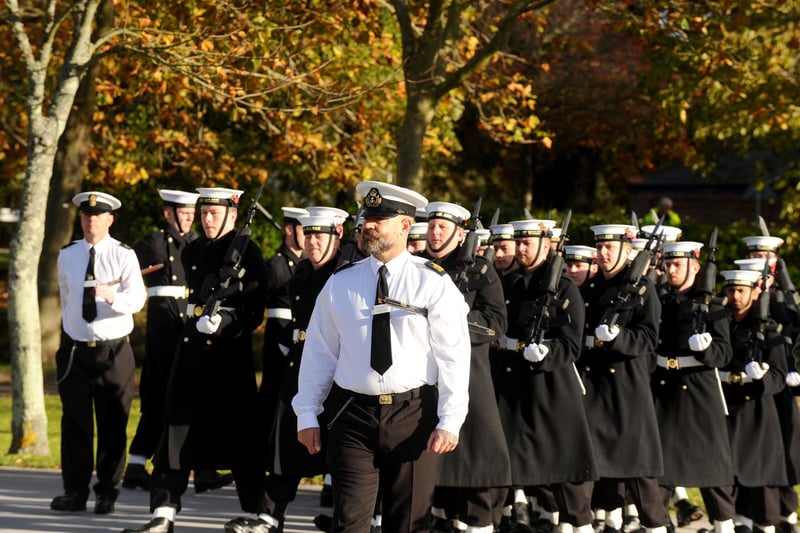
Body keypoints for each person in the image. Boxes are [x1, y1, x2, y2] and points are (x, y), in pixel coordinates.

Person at [292, 180, 472, 533]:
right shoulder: (340, 283)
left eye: (379, 219)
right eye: (366, 218)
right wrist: (307, 412)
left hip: (414, 414)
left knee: (406, 524)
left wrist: (451, 420)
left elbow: (454, 355)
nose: (368, 225)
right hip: (352, 414)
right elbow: (319, 351)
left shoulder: (432, 282)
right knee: (349, 523)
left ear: (405, 225)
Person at [122, 187, 268, 533]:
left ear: (233, 216)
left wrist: (226, 322)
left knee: (241, 442)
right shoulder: (194, 250)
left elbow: (252, 311)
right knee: (172, 434)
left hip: (228, 361)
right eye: (204, 213)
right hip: (190, 355)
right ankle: (163, 513)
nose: (206, 219)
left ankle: (260, 514)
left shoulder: (249, 252)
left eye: (214, 214)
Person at [122, 189, 233, 495]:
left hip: (188, 325)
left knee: (194, 395)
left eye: (190, 213)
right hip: (162, 329)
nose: (187, 218)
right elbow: (126, 270)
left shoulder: (198, 244)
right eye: (181, 213)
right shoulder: (154, 242)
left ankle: (203, 468)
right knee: (158, 395)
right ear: (168, 213)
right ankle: (135, 464)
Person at [493, 219, 597, 533]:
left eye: (528, 243)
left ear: (546, 244)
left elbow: (571, 343)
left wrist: (547, 353)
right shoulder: (509, 283)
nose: (521, 249)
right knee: (507, 465)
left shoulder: (563, 287)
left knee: (565, 472)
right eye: (519, 243)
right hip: (513, 385)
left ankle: (581, 525)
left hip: (551, 388)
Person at [51, 191, 147, 514]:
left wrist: (112, 298)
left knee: (112, 423)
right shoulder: (68, 254)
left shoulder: (123, 255)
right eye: (86, 216)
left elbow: (137, 300)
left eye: (98, 216)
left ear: (109, 220)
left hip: (113, 351)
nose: (91, 221)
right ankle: (75, 491)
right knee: (75, 423)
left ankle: (107, 491)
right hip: (76, 351)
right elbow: (66, 296)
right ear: (81, 220)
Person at [420, 201, 511, 533]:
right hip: (426, 379)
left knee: (474, 464)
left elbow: (495, 324)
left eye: (443, 227)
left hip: (470, 378)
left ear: (461, 234)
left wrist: (457, 317)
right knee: (434, 469)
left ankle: (479, 522)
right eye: (431, 226)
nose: (434, 232)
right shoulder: (417, 267)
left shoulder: (481, 271)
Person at [258, 206, 347, 532]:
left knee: (340, 453)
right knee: (286, 441)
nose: (312, 242)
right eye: (308, 235)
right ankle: (269, 516)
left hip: (336, 372)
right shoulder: (302, 274)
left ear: (336, 237)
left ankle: (346, 519)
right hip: (301, 365)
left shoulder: (344, 274)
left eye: (319, 236)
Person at [579, 223, 671, 533]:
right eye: (600, 247)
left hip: (627, 390)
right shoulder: (590, 289)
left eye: (611, 248)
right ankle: (592, 523)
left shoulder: (643, 288)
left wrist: (618, 338)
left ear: (627, 251)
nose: (603, 254)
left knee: (639, 469)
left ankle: (656, 526)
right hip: (593, 388)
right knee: (592, 465)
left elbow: (648, 339)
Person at [651, 241, 737, 533]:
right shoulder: (659, 302)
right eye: (668, 264)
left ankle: (724, 526)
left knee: (713, 471)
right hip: (664, 390)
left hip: (699, 392)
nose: (671, 270)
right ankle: (657, 526)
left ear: (695, 267)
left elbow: (724, 354)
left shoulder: (713, 306)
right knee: (658, 473)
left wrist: (707, 350)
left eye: (678, 264)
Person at [718, 267, 789, 533]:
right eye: (731, 290)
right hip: (728, 407)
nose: (735, 296)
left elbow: (780, 375)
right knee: (729, 479)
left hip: (758, 411)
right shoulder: (721, 323)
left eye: (741, 291)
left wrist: (762, 378)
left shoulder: (768, 329)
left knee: (762, 482)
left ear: (753, 293)